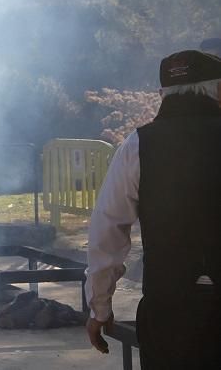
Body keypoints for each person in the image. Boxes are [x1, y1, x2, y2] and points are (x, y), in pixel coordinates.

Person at [86, 49, 221, 368]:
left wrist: (99, 308)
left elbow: (107, 230)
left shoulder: (137, 144)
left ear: (162, 94)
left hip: (169, 308)